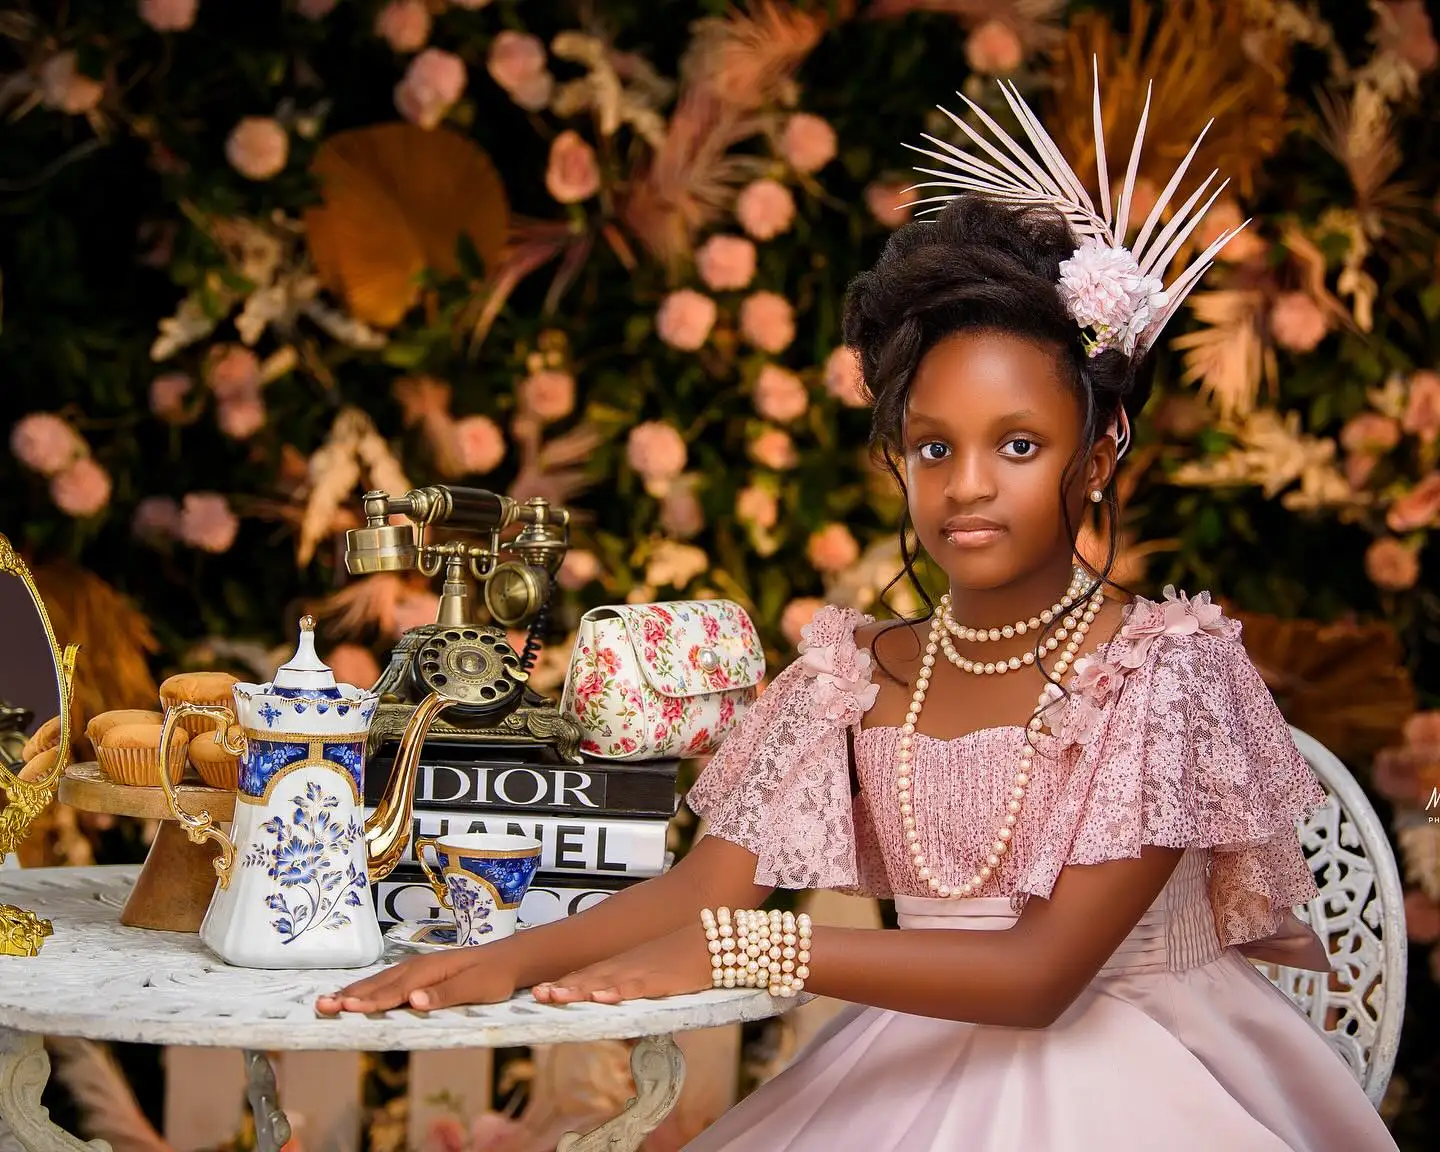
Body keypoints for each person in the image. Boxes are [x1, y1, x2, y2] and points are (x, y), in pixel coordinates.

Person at [317, 78, 1400, 1150]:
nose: (967, 484)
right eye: (935, 446)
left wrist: (764, 954)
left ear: (1101, 450)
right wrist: (514, 957)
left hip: (1141, 1076)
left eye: (1016, 444)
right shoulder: (855, 670)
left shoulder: (1164, 674)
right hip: (917, 1053)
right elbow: (708, 882)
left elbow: (1040, 979)